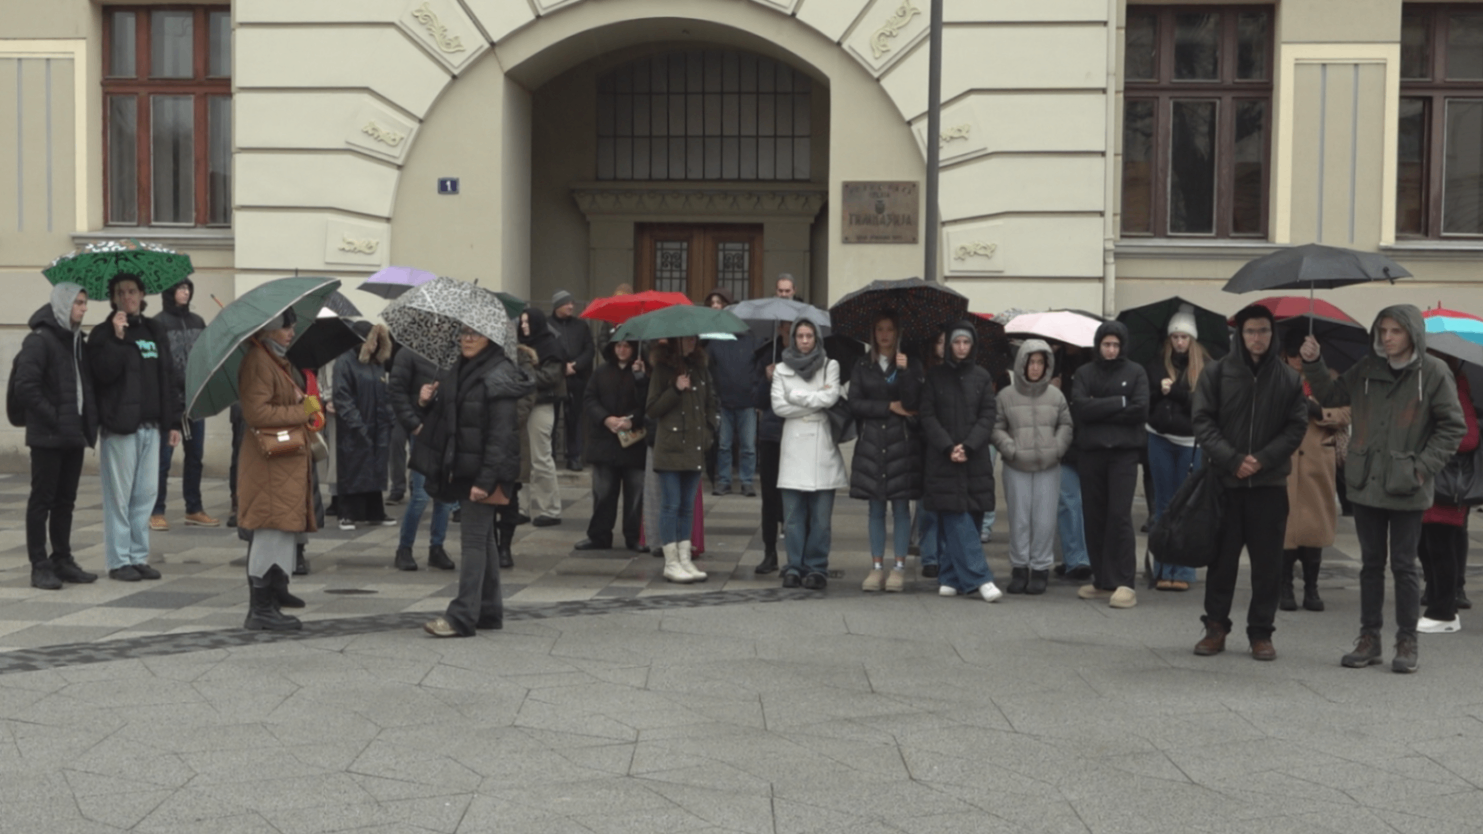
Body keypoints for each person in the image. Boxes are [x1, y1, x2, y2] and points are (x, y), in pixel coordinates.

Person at [1301, 304, 1466, 673]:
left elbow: (1453, 428)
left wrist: (1422, 469)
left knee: (1405, 565)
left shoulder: (1434, 372)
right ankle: (1369, 638)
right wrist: (1313, 362)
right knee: (1371, 564)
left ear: (1412, 334)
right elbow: (1330, 396)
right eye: (1383, 331)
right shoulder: (1367, 368)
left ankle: (1407, 641)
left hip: (1408, 485)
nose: (1387, 338)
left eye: (1395, 331)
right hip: (1366, 481)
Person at [1190, 305, 1308, 660]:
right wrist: (1233, 459)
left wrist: (1264, 458)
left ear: (1273, 335)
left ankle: (1261, 633)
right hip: (1226, 484)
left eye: (1264, 331)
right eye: (1251, 332)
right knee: (1221, 561)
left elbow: (1297, 425)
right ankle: (1215, 627)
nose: (1258, 338)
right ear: (1239, 336)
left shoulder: (1287, 377)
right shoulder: (1217, 372)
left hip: (1269, 486)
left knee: (1267, 565)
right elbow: (1203, 420)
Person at [418, 326, 531, 638]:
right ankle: (489, 611)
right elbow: (454, 417)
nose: (466, 339)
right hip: (467, 466)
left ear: (491, 338)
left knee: (472, 541)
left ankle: (462, 616)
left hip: (485, 471)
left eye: (475, 334)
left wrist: (485, 480)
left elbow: (501, 435)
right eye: (464, 333)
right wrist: (427, 401)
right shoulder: (462, 369)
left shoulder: (499, 373)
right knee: (484, 541)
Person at [88, 273, 180, 582]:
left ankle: (139, 556)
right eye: (120, 292)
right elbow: (101, 375)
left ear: (142, 295)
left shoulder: (154, 330)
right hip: (120, 427)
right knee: (119, 497)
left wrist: (173, 421)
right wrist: (117, 337)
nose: (127, 296)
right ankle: (118, 560)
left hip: (152, 426)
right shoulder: (102, 334)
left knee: (145, 495)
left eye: (132, 291)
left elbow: (167, 376)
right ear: (113, 299)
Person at [237, 310, 321, 631]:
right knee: (269, 531)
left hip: (281, 464)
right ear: (269, 330)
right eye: (285, 325)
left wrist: (307, 404)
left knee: (281, 529)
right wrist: (302, 409)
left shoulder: (275, 361)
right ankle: (260, 608)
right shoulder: (259, 361)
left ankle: (273, 595)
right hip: (267, 466)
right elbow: (256, 412)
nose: (291, 331)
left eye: (291, 325)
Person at [15, 282, 98, 589]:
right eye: (78, 302)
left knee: (66, 501)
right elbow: (26, 387)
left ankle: (62, 559)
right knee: (42, 500)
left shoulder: (75, 340)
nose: (84, 307)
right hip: (48, 436)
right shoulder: (40, 340)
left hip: (72, 434)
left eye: (85, 302)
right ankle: (40, 564)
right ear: (63, 304)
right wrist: (55, 418)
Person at [920, 322, 1002, 602]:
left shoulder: (982, 377)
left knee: (974, 514)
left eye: (966, 342)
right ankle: (980, 577)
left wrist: (968, 446)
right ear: (949, 345)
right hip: (944, 459)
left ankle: (951, 575)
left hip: (974, 457)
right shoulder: (935, 376)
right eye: (956, 342)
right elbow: (927, 416)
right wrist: (948, 447)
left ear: (973, 345)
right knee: (956, 516)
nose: (962, 347)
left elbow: (988, 415)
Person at [1070, 321, 1147, 609]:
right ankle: (1103, 580)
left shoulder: (1135, 372)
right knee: (1094, 516)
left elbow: (1140, 409)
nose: (1111, 350)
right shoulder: (1084, 372)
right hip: (1091, 453)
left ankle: (1125, 582)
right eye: (1106, 345)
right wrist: (1120, 402)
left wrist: (1099, 406)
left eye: (1115, 345)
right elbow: (1080, 408)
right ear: (1098, 345)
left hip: (1124, 455)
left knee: (1119, 516)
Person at [848, 312, 924, 593]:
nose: (884, 334)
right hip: (871, 443)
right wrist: (887, 407)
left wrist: (906, 373)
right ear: (873, 333)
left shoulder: (910, 363)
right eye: (879, 329)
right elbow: (854, 403)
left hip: (902, 443)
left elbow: (915, 402)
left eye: (890, 329)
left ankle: (900, 567)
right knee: (876, 506)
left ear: (897, 332)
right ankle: (877, 566)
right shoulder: (862, 365)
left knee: (902, 507)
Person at [992, 339, 1073, 596]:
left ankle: (1039, 569)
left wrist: (1057, 448)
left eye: (1040, 362)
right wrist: (1010, 449)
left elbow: (1066, 424)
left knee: (1045, 519)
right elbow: (996, 427)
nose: (1035, 367)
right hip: (1016, 466)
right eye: (1031, 362)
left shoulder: (1056, 395)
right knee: (1019, 520)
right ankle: (1019, 568)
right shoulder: (1006, 396)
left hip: (1048, 467)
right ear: (1021, 363)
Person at [1279, 328, 1350, 613]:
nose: (1297, 360)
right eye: (1292, 354)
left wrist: (1320, 412)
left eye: (1302, 353)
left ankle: (1312, 586)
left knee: (1315, 525)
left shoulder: (1330, 378)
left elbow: (1346, 413)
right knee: (1286, 525)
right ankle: (1284, 586)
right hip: (1285, 460)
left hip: (1318, 461)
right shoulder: (1276, 378)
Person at [772, 317, 846, 590]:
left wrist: (796, 395)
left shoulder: (830, 366)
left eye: (809, 336)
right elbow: (779, 407)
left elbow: (830, 399)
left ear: (816, 338)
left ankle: (816, 568)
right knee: (792, 519)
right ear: (793, 338)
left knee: (820, 520)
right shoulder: (781, 368)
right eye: (800, 336)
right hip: (793, 448)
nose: (804, 341)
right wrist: (814, 399)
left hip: (822, 449)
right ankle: (793, 566)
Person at [1144, 308, 1209, 591]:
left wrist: (1178, 393)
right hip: (1159, 437)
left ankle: (1182, 570)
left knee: (1185, 506)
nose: (1179, 342)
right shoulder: (1157, 364)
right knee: (1163, 503)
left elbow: (1205, 405)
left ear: (1192, 339)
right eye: (1174, 337)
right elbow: (1145, 399)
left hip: (1190, 442)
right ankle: (1161, 568)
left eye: (1183, 336)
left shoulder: (1206, 366)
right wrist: (1160, 391)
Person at [648, 334, 717, 583]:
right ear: (676, 340)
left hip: (694, 446)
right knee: (671, 504)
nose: (692, 342)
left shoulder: (700, 368)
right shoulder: (662, 369)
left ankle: (685, 559)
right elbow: (653, 408)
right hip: (670, 447)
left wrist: (709, 430)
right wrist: (674, 389)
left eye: (694, 338)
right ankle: (671, 561)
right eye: (687, 338)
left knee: (687, 507)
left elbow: (711, 402)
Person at [1417, 352, 1478, 634]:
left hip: (1446, 483)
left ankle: (1444, 611)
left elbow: (1468, 438)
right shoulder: (1427, 387)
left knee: (1442, 547)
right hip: (1427, 481)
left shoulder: (1456, 390)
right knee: (1428, 544)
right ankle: (1438, 598)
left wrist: (1433, 440)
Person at [151, 279, 217, 531]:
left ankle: (194, 508)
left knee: (195, 456)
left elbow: (204, 355)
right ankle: (156, 509)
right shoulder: (158, 323)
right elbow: (160, 365)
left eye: (188, 288)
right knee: (163, 459)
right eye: (180, 288)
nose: (185, 292)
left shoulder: (197, 321)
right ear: (170, 292)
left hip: (195, 400)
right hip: (169, 402)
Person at [388, 342, 457, 572]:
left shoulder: (454, 354)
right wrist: (415, 421)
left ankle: (436, 548)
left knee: (445, 497)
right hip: (423, 432)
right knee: (420, 494)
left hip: (447, 432)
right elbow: (396, 391)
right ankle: (404, 548)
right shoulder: (408, 354)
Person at [577, 339, 648, 551]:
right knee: (603, 492)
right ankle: (599, 535)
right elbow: (589, 399)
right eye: (618, 346)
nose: (622, 350)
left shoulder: (643, 373)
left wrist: (632, 420)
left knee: (636, 493)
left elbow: (647, 403)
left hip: (633, 443)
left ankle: (634, 536)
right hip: (605, 443)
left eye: (626, 346)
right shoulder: (601, 372)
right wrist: (606, 418)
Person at [332, 323, 396, 531]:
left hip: (378, 424)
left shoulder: (376, 362)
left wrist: (389, 418)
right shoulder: (344, 362)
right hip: (355, 426)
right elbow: (342, 397)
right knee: (352, 468)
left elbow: (384, 393)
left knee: (375, 468)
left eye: (378, 339)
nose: (375, 344)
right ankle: (347, 513)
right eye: (372, 339)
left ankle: (375, 511)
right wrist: (357, 423)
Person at [703, 288, 759, 496]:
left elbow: (758, 367)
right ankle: (724, 481)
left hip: (747, 402)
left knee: (748, 447)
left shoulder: (750, 338)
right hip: (724, 402)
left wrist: (755, 391)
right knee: (724, 446)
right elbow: (709, 367)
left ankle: (746, 482)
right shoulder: (715, 339)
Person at [519, 308, 567, 526]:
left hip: (542, 404)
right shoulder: (519, 345)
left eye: (528, 322)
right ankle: (521, 507)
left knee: (540, 457)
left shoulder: (551, 346)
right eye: (522, 322)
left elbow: (551, 376)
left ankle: (551, 509)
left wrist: (524, 375)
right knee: (522, 458)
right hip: (522, 405)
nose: (524, 326)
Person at [1053, 343, 1093, 581]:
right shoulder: (1053, 363)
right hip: (1063, 443)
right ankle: (1074, 559)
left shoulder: (1093, 366)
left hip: (1088, 442)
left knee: (1087, 503)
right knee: (1068, 502)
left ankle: (1086, 557)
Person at [751, 324, 788, 574]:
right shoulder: (768, 353)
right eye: (786, 325)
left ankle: (797, 553)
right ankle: (769, 551)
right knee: (770, 495)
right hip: (772, 433)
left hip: (798, 434)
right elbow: (757, 399)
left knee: (795, 496)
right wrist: (767, 379)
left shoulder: (807, 356)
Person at [550, 290, 595, 471]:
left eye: (572, 303)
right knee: (550, 419)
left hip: (577, 379)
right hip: (554, 380)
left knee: (575, 419)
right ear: (557, 306)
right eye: (566, 303)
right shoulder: (547, 326)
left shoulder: (581, 326)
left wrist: (575, 366)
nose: (570, 306)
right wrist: (562, 367)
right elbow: (545, 350)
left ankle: (574, 456)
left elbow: (589, 349)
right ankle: (550, 457)